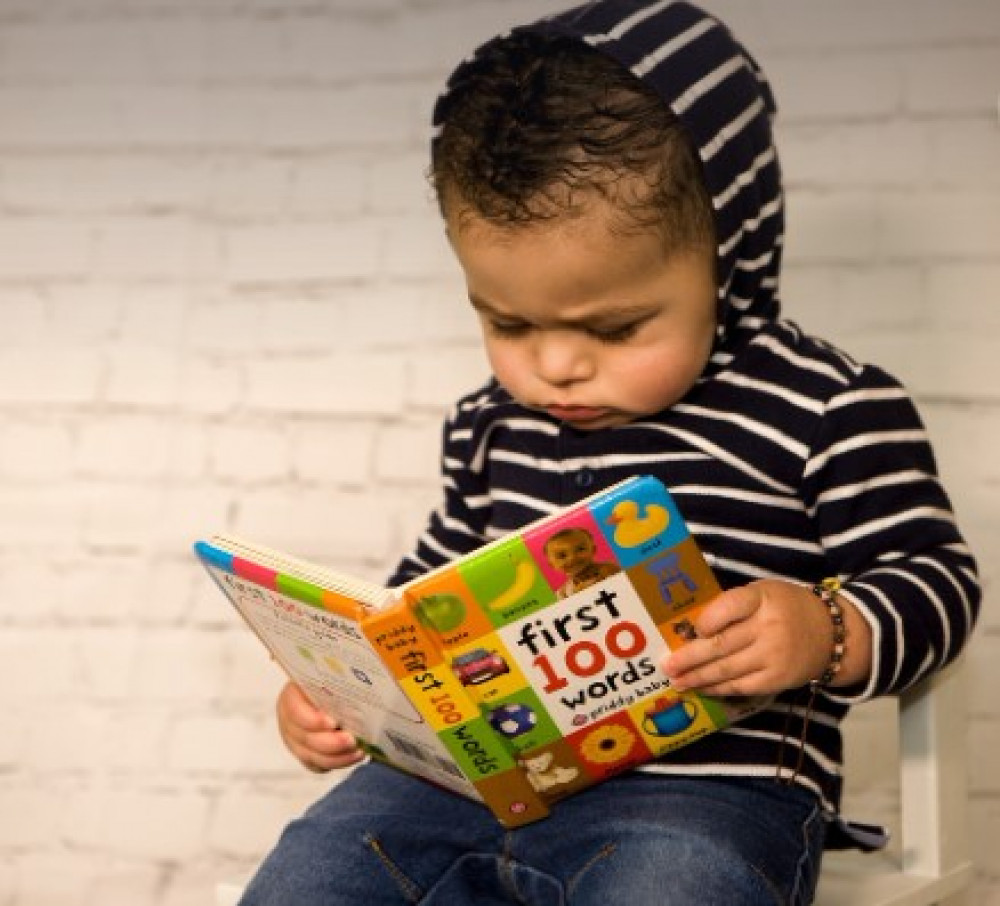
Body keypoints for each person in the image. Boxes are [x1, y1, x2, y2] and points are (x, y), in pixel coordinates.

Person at [239, 2, 981, 904]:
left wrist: (828, 629)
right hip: (466, 786)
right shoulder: (490, 427)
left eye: (619, 326)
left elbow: (938, 580)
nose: (555, 366)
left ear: (727, 255)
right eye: (506, 321)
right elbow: (419, 606)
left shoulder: (826, 406)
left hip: (707, 795)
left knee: (674, 888)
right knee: (309, 877)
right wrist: (351, 693)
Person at [543, 526, 621, 597]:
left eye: (580, 549)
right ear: (552, 565)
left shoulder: (608, 569)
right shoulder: (563, 592)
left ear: (593, 550)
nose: (572, 558)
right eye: (562, 556)